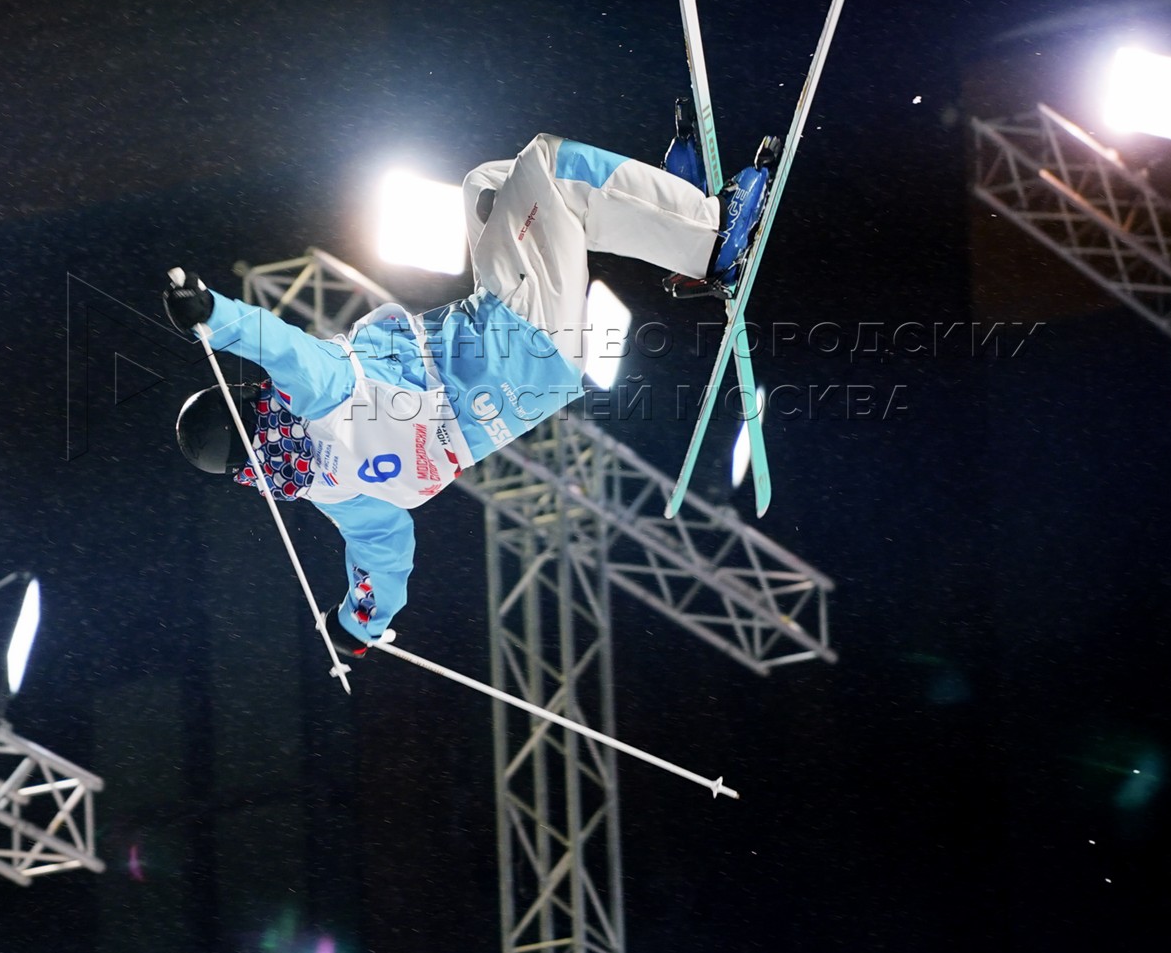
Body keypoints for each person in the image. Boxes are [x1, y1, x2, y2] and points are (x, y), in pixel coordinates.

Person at [165, 123, 771, 657]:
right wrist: (208, 313)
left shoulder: (329, 489)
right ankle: (711, 238)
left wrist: (358, 623)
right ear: (243, 403)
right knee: (548, 165)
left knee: (487, 188)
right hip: (512, 337)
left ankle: (670, 215)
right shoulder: (309, 395)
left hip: (525, 372)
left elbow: (386, 556)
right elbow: (277, 344)